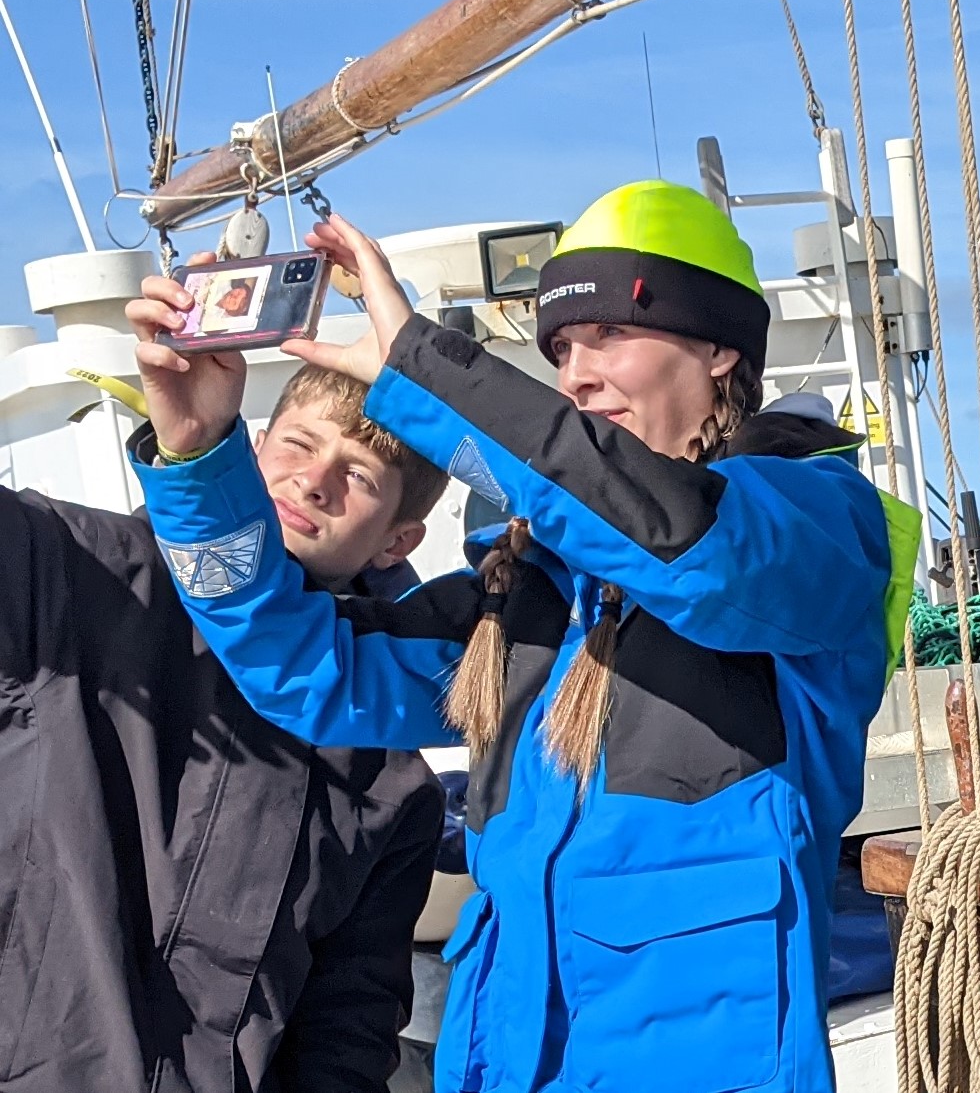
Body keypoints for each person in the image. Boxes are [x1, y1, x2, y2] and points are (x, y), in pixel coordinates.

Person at [129, 180, 921, 1093]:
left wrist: (425, 370)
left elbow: (684, 548)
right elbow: (300, 668)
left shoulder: (816, 521)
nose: (577, 372)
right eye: (559, 349)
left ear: (717, 350)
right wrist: (197, 454)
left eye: (610, 334)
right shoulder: (525, 595)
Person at [0, 355, 449, 1093]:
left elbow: (346, 1030)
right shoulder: (77, 569)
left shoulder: (395, 785)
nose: (313, 482)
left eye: (359, 475)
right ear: (258, 445)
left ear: (398, 542)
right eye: (299, 445)